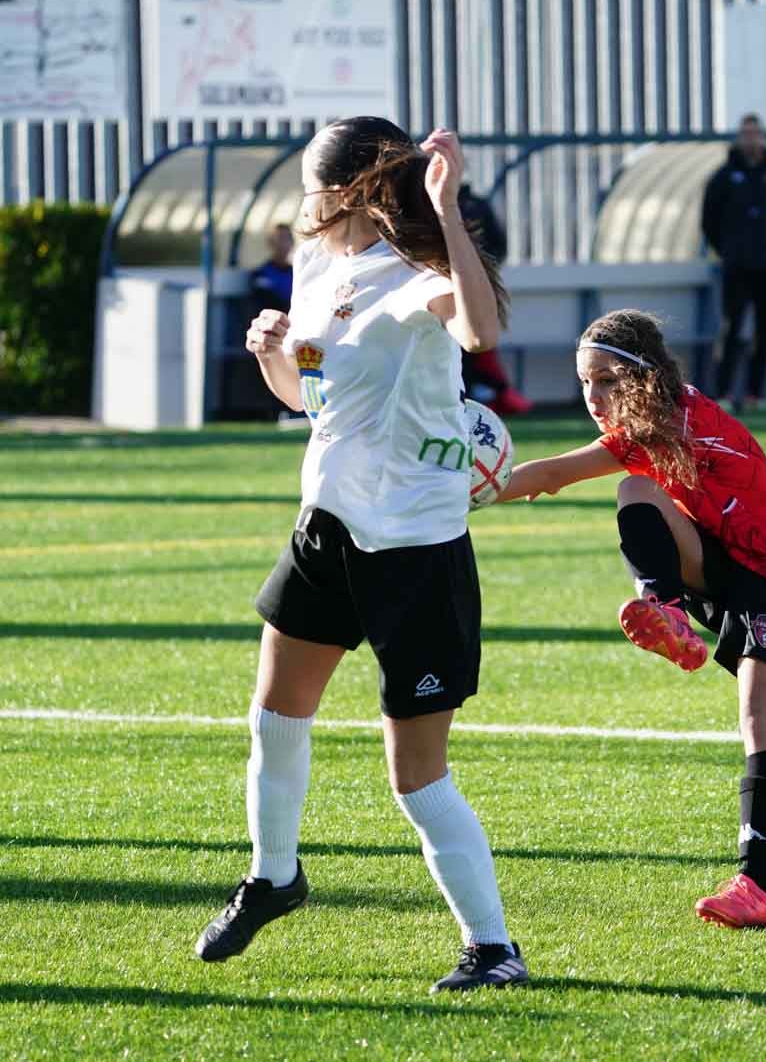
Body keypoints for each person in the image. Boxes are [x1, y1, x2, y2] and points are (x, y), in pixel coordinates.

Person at [196, 117, 529, 993]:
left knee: (415, 778)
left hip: (415, 550)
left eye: (310, 186)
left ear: (344, 191)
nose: (300, 204)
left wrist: (446, 207)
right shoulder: (315, 269)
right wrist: (275, 358)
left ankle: (492, 947)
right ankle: (274, 875)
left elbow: (482, 333)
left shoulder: (414, 275)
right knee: (274, 713)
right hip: (328, 528)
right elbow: (315, 399)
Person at [498, 308, 766, 929]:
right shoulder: (650, 423)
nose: (593, 397)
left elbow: (552, 474)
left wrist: (449, 494)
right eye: (585, 382)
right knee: (637, 493)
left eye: (607, 381)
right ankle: (667, 610)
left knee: (759, 717)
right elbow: (551, 475)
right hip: (717, 565)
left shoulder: (676, 423)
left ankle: (754, 887)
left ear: (643, 378)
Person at [701, 114, 766, 410]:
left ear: (763, 137)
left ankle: (756, 394)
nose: (752, 140)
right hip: (736, 265)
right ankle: (725, 394)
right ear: (739, 139)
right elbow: (709, 221)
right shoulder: (723, 176)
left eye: (757, 134)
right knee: (731, 328)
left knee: (764, 331)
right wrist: (729, 249)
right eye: (746, 134)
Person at [456, 183, 532, 417]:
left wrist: (478, 272)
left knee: (474, 353)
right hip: (450, 295)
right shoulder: (422, 202)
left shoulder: (475, 205)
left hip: (475, 294)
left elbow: (498, 246)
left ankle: (482, 400)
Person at [249, 223, 295, 314]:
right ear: (270, 243)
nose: (283, 243)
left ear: (292, 242)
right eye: (280, 238)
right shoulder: (260, 274)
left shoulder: (297, 274)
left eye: (287, 238)